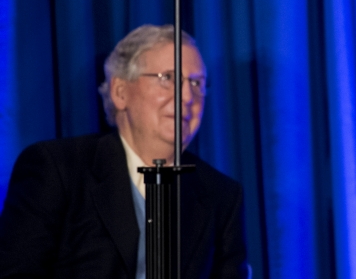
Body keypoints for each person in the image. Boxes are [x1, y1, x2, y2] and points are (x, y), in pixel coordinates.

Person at [0, 25, 248, 278]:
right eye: (168, 78)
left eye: (197, 83)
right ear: (120, 92)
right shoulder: (57, 170)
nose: (187, 96)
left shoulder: (222, 195)